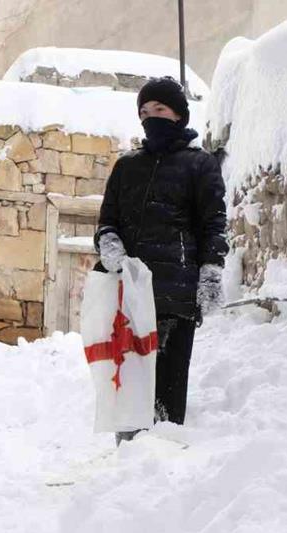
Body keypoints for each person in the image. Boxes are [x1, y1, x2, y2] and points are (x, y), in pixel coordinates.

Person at [94, 76, 228, 439]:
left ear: (179, 115)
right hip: (130, 296)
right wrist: (109, 243)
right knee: (129, 390)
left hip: (174, 296)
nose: (150, 117)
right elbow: (107, 221)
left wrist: (211, 270)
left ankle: (163, 456)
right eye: (144, 111)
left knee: (167, 392)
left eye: (159, 109)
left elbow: (214, 224)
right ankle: (129, 458)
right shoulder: (126, 167)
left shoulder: (200, 165)